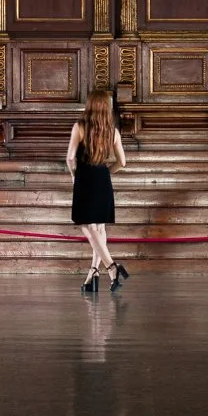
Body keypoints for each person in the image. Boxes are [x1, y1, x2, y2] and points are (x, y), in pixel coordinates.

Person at [66, 88, 128, 292]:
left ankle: (112, 267)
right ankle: (92, 272)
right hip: (103, 178)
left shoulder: (80, 127)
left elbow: (70, 158)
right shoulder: (113, 131)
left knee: (87, 227)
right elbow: (123, 162)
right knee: (99, 229)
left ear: (90, 105)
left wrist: (74, 176)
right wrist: (107, 172)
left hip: (85, 178)